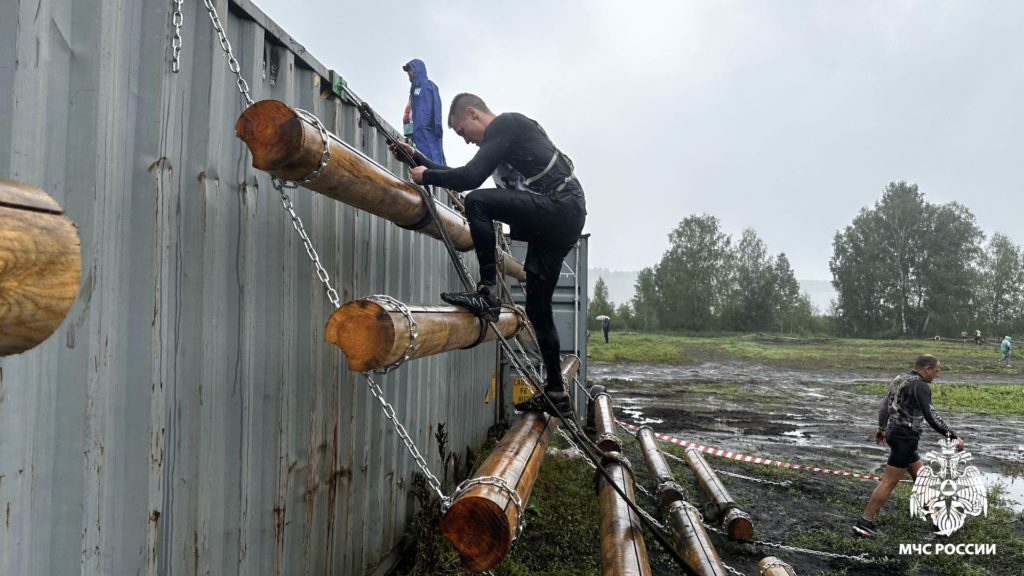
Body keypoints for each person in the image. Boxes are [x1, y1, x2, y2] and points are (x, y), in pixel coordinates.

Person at [390, 93, 586, 420]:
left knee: (478, 202)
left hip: (559, 205)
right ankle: (556, 391)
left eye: (462, 132)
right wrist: (417, 159)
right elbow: (462, 172)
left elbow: (470, 179)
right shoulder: (501, 141)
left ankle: (488, 294)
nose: (466, 141)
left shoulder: (506, 124)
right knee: (538, 306)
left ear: (473, 113)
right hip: (563, 216)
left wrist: (427, 176)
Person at [853, 354, 963, 538]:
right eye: (936, 371)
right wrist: (952, 436)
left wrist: (881, 427)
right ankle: (865, 522)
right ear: (927, 368)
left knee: (922, 479)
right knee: (889, 481)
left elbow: (885, 406)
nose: (937, 375)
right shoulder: (921, 386)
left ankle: (939, 523)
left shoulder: (900, 379)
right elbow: (931, 416)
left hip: (895, 433)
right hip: (905, 437)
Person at [401, 59, 446, 165]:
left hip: (428, 133)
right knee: (420, 161)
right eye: (407, 70)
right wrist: (409, 132)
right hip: (416, 135)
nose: (408, 73)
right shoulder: (413, 91)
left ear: (418, 70)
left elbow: (436, 107)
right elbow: (410, 113)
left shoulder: (429, 86)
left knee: (433, 160)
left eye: (410, 70)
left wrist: (436, 128)